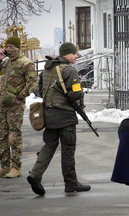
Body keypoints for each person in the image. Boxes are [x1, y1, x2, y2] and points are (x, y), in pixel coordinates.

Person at [27, 42, 91, 196]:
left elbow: (40, 91)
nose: (76, 56)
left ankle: (35, 174)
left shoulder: (47, 69)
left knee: (49, 146)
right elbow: (76, 94)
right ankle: (71, 183)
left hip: (49, 115)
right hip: (66, 116)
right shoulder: (69, 70)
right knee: (68, 150)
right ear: (65, 55)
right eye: (74, 53)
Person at [0, 36, 37, 178]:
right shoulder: (4, 63)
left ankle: (16, 167)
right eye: (6, 46)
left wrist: (20, 97)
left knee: (14, 136)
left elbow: (33, 83)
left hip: (15, 106)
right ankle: (5, 166)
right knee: (1, 135)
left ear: (17, 47)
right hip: (2, 105)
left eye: (11, 46)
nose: (8, 49)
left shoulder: (25, 63)